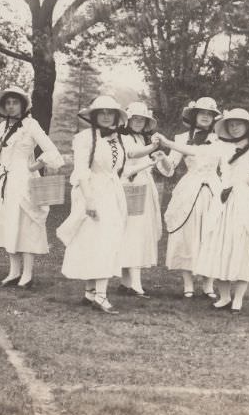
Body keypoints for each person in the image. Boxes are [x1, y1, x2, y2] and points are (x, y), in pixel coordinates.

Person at [59, 96, 157, 314]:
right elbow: (82, 170)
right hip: (92, 192)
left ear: (115, 116)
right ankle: (98, 295)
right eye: (101, 112)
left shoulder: (118, 138)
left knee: (106, 240)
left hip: (113, 194)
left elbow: (125, 162)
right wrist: (89, 199)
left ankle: (93, 292)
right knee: (94, 241)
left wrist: (152, 151)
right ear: (94, 115)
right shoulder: (85, 138)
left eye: (110, 112)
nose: (105, 116)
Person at [183, 108, 249, 313]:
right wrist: (166, 143)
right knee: (220, 246)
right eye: (231, 124)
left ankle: (238, 298)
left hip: (247, 204)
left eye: (238, 124)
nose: (235, 127)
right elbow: (197, 151)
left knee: (242, 247)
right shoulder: (222, 147)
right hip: (223, 202)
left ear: (247, 126)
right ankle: (224, 296)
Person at [0, 86, 64, 288]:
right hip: (5, 182)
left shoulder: (31, 125)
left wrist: (34, 166)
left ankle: (27, 274)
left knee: (27, 226)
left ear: (23, 105)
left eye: (15, 102)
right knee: (9, 224)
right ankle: (14, 271)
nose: (11, 106)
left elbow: (52, 152)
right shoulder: (1, 127)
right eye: (8, 103)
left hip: (24, 181)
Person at [159, 97, 221, 299]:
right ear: (194, 116)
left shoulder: (220, 139)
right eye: (202, 113)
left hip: (213, 189)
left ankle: (208, 285)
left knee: (212, 234)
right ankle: (188, 284)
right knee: (187, 234)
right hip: (189, 189)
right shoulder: (181, 138)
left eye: (210, 114)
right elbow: (170, 168)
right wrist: (163, 158)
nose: (206, 117)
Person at [117, 102, 170, 298]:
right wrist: (153, 148)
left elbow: (144, 156)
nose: (138, 122)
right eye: (135, 119)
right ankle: (134, 284)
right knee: (133, 231)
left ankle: (126, 282)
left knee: (137, 231)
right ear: (127, 120)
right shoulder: (122, 137)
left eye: (142, 119)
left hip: (143, 186)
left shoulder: (140, 138)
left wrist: (154, 152)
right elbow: (131, 154)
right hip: (130, 186)